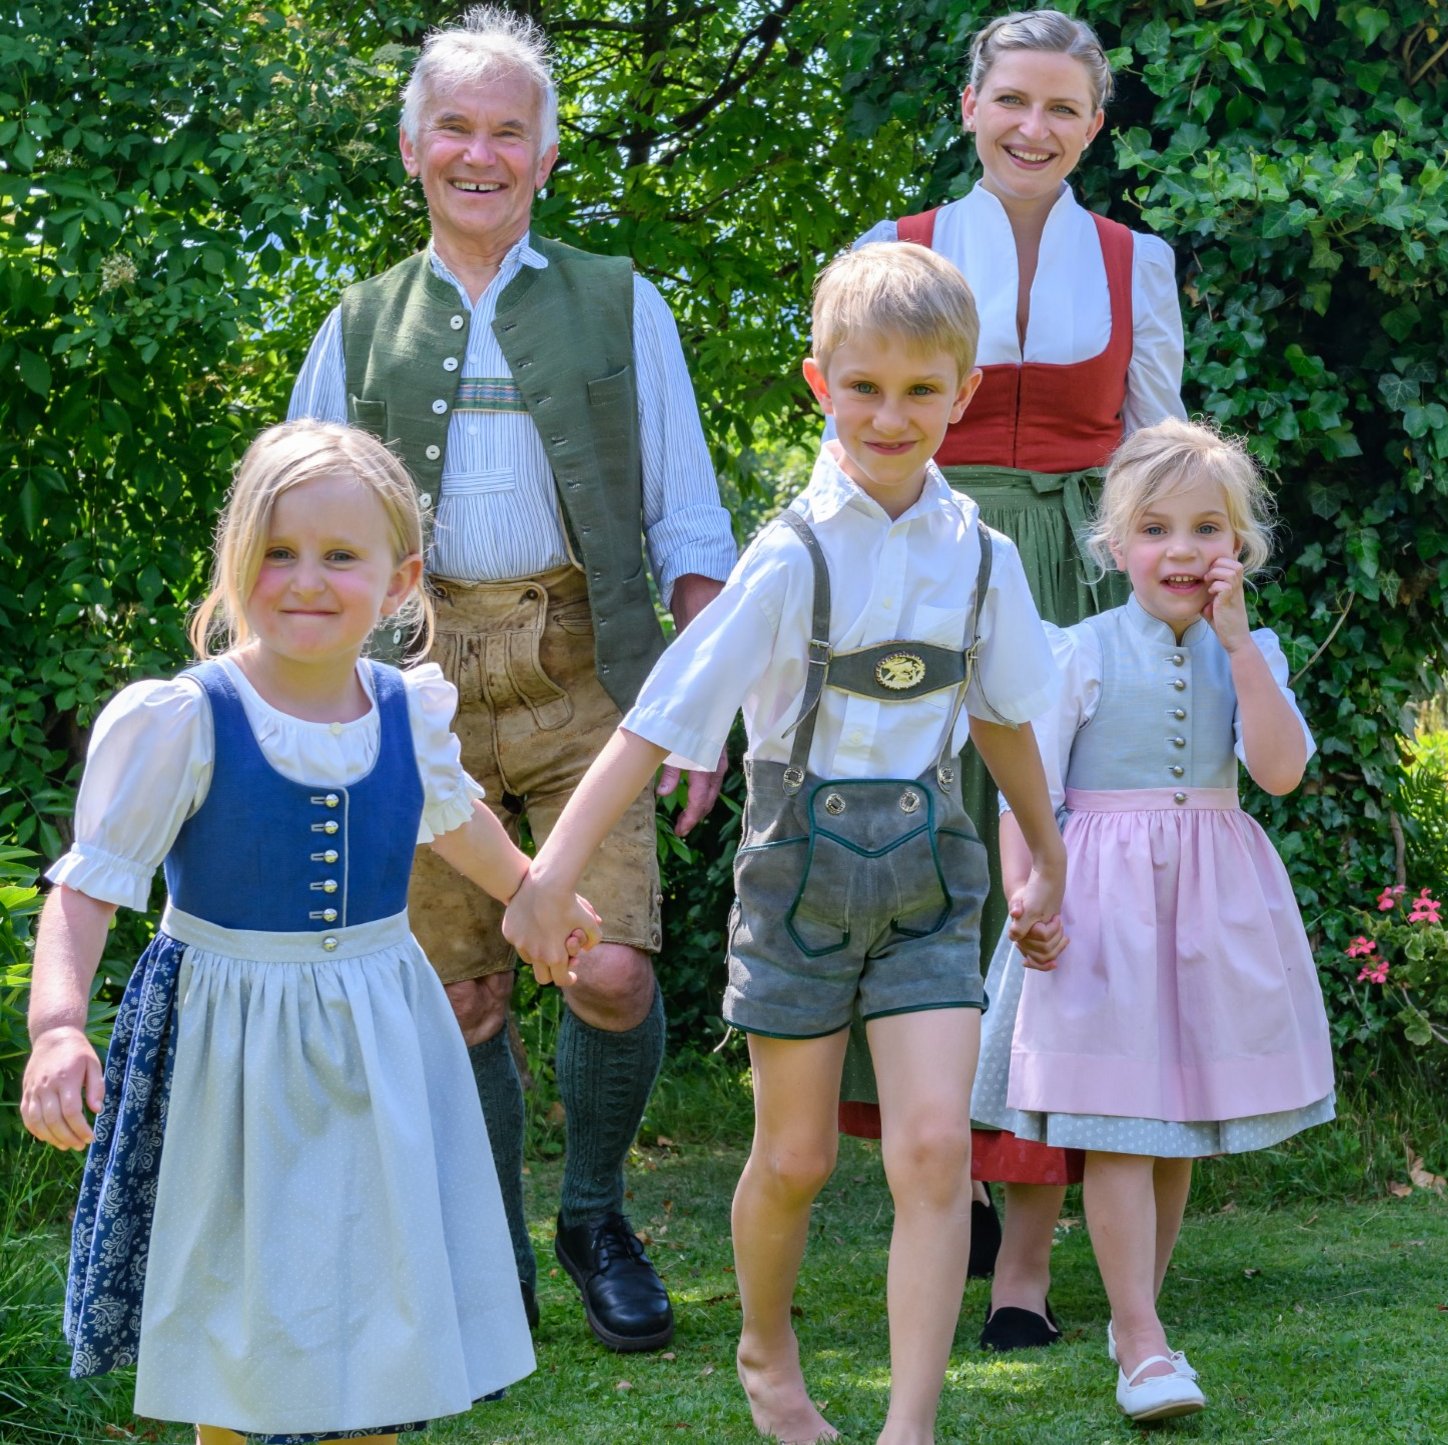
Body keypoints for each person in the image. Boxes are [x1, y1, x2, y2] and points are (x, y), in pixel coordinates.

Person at [503, 243, 1068, 1445]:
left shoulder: (984, 556)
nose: (891, 415)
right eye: (865, 387)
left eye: (922, 390)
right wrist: (549, 874)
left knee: (930, 1146)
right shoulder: (788, 557)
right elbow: (657, 724)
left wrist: (1047, 852)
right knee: (798, 1156)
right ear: (820, 384)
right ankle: (767, 1347)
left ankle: (909, 1425)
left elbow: (1005, 716)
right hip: (795, 877)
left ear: (963, 392)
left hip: (932, 871)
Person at [287, 5, 736, 1352]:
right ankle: (485, 1255)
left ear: (544, 157)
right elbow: (294, 533)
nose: (479, 154)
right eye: (456, 130)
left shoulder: (619, 302)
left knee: (605, 972)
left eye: (508, 132)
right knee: (459, 991)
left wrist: (702, 701)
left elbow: (692, 526)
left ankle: (592, 1212)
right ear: (415, 147)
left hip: (588, 673)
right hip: (408, 695)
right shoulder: (356, 325)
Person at [19, 421, 598, 1444]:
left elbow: (452, 812)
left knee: (373, 1306)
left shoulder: (403, 710)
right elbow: (88, 886)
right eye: (277, 552)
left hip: (379, 1029)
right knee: (243, 1313)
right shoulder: (186, 719)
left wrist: (535, 891)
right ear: (237, 561)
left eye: (341, 555)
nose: (305, 579)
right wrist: (59, 1025)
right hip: (228, 1047)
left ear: (400, 578)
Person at [834, 8, 1187, 1342]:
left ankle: (1030, 1219)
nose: (1033, 128)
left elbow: (1158, 463)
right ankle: (950, 1169)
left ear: (1093, 125)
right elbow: (858, 439)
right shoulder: (896, 254)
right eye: (1011, 101)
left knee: (1067, 879)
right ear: (970, 104)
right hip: (935, 571)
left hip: (1086, 584)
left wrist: (1177, 615)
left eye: (1062, 108)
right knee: (937, 869)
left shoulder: (1133, 261)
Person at [970, 418, 1337, 1422]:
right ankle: (1138, 1333)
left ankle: (1142, 1316)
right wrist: (1028, 891)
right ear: (1117, 544)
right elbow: (1023, 789)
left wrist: (1237, 644)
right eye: (1157, 529)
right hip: (1101, 904)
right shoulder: (1077, 651)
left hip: (1209, 904)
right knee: (1122, 1125)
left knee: (1171, 1126)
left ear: (1240, 546)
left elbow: (1279, 769)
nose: (1182, 550)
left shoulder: (1249, 651)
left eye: (1207, 528)